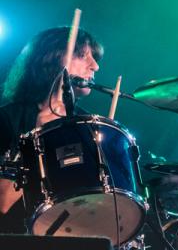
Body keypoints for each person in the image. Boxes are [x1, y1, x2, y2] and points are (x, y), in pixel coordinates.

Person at [0, 25, 103, 234]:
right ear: (52, 58)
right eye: (83, 56)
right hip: (14, 244)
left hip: (74, 241)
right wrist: (38, 138)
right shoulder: (8, 118)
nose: (95, 66)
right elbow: (3, 202)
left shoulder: (88, 126)